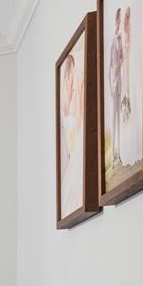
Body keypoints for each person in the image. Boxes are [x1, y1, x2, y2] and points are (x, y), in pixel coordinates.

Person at [59, 53, 84, 215]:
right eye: (69, 81)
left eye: (73, 84)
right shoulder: (65, 116)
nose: (71, 87)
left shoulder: (75, 116)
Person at [119, 6, 142, 168]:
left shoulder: (128, 34)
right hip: (125, 72)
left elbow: (127, 52)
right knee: (127, 108)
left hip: (128, 71)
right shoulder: (124, 35)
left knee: (132, 103)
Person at [109, 8, 124, 166]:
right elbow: (108, 68)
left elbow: (122, 59)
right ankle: (113, 155)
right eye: (117, 20)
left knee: (120, 120)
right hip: (113, 87)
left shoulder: (121, 39)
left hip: (120, 83)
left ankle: (119, 154)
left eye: (120, 20)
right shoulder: (112, 41)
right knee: (113, 121)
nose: (118, 23)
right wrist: (110, 87)